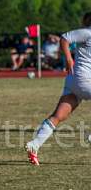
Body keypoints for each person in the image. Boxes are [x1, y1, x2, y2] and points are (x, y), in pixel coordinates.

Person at [26, 12, 91, 165]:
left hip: (74, 80)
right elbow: (64, 38)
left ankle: (34, 144)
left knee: (58, 115)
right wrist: (68, 59)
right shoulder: (87, 32)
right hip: (83, 78)